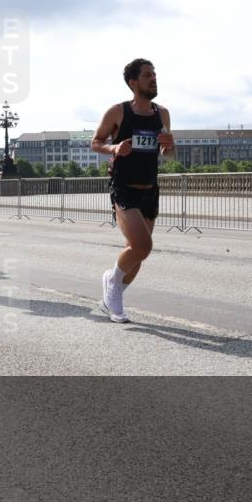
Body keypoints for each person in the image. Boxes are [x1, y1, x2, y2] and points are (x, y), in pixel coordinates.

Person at [91, 58, 174, 322]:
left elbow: (167, 154)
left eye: (155, 74)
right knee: (142, 246)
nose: (154, 79)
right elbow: (96, 142)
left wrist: (170, 145)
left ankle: (113, 294)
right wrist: (114, 148)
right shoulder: (118, 112)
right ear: (133, 83)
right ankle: (112, 280)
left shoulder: (162, 114)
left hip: (150, 188)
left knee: (137, 253)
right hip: (124, 187)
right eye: (148, 75)